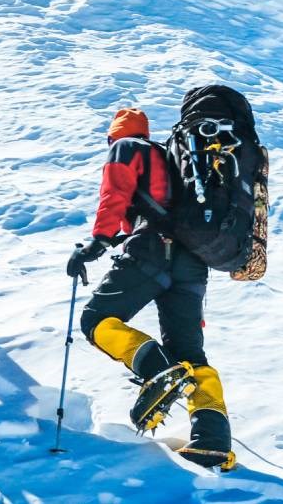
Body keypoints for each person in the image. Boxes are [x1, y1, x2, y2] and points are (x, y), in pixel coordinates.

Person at [67, 107, 235, 469]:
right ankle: (212, 441)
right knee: (190, 353)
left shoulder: (126, 148)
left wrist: (97, 242)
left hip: (152, 251)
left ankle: (156, 372)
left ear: (115, 133)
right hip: (192, 262)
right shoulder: (176, 161)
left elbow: (115, 193)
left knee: (96, 320)